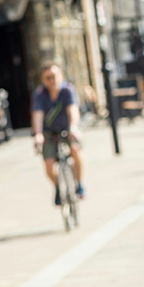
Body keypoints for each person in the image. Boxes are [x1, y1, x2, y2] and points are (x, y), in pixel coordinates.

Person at [31, 63, 84, 204]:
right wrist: (38, 134)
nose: (52, 81)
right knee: (48, 165)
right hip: (48, 132)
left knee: (75, 150)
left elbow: (73, 110)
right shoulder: (40, 94)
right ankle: (57, 187)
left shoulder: (68, 90)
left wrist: (74, 127)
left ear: (61, 76)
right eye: (48, 78)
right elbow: (38, 115)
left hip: (67, 129)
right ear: (43, 80)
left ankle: (79, 184)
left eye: (54, 76)